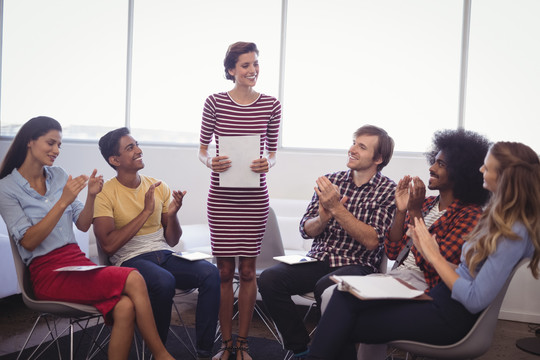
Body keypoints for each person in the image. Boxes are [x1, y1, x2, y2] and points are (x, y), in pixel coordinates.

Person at [306, 141, 540, 360]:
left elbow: (474, 298)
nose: (480, 169)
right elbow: (462, 271)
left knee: (341, 318)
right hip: (439, 298)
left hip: (449, 316)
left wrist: (432, 254)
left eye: (487, 167)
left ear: (505, 177)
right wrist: (420, 238)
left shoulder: (512, 231)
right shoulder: (502, 220)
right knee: (343, 295)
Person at [0, 116, 174, 360]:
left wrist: (91, 196)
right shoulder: (6, 188)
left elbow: (82, 225)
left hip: (77, 262)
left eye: (59, 145)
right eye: (51, 143)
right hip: (47, 273)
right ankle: (162, 355)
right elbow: (28, 241)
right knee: (133, 277)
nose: (56, 150)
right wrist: (63, 202)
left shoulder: (58, 175)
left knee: (124, 307)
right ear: (30, 141)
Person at [258, 125, 397, 359]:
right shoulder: (330, 181)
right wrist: (322, 218)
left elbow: (372, 241)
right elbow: (305, 229)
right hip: (318, 259)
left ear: (379, 158)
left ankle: (332, 353)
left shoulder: (388, 190)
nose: (352, 149)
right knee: (270, 279)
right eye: (354, 142)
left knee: (327, 287)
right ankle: (301, 349)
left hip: (358, 264)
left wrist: (336, 208)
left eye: (361, 147)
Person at [93, 127, 220, 360]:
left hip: (163, 254)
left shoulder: (158, 186)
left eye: (137, 144)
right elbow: (109, 246)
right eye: (130, 148)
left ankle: (204, 351)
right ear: (114, 159)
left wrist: (172, 214)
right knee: (164, 281)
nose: (139, 150)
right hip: (129, 261)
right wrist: (145, 211)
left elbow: (172, 240)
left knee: (211, 273)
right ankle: (157, 352)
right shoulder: (104, 194)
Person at [198, 41, 281, 360]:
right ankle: (225, 344)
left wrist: (267, 163)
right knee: (222, 272)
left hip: (254, 198)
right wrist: (210, 162)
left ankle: (242, 345)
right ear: (231, 70)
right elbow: (203, 148)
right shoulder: (214, 102)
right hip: (221, 198)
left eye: (256, 64)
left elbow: (273, 152)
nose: (253, 70)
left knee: (247, 272)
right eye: (246, 65)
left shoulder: (271, 104)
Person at [384, 129, 491, 291]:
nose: (431, 168)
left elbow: (436, 265)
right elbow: (392, 252)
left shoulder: (470, 215)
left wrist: (414, 212)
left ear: (461, 173)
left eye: (440, 164)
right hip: (396, 275)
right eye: (434, 161)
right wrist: (401, 211)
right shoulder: (425, 204)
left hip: (425, 285)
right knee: (335, 293)